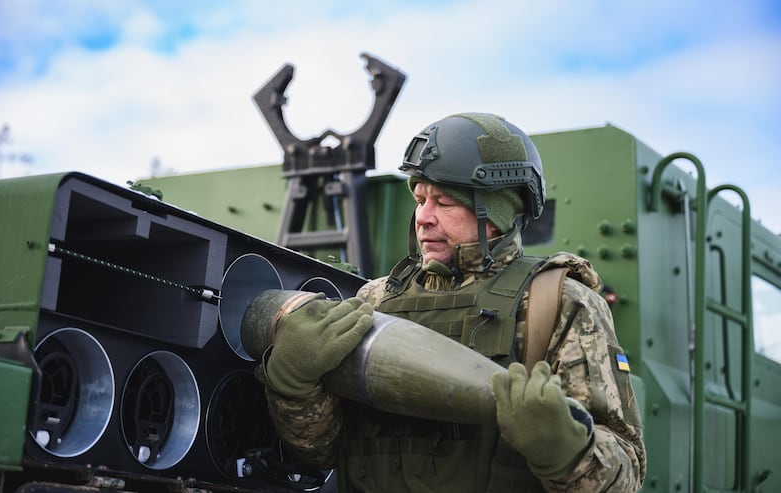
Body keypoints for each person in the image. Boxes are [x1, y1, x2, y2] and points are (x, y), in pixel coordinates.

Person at [255, 113, 646, 492]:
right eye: (420, 199)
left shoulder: (556, 303)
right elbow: (325, 454)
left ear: (495, 211)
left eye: (443, 202)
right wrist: (294, 387)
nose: (423, 218)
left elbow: (625, 473)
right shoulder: (374, 300)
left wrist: (565, 447)